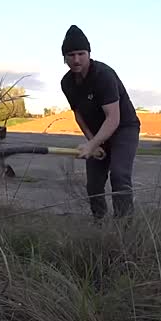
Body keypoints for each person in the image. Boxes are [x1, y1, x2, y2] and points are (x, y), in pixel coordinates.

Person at [59, 25, 141, 219]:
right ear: (64, 58)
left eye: (81, 53)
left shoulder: (103, 75)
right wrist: (92, 142)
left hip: (123, 129)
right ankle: (100, 222)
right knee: (94, 184)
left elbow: (113, 118)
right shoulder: (67, 83)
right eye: (71, 55)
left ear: (89, 54)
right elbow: (78, 114)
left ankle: (124, 226)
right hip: (98, 133)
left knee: (119, 175)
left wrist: (92, 144)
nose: (76, 59)